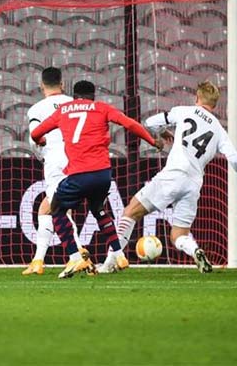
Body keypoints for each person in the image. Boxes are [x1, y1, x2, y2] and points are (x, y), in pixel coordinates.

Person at [99, 80, 237, 274]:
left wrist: (163, 132)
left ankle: (109, 264)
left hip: (174, 174)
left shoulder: (184, 111)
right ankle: (195, 250)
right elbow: (234, 158)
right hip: (194, 183)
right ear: (215, 104)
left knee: (130, 212)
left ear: (197, 97)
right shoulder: (219, 130)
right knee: (179, 235)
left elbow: (149, 123)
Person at [31, 80, 163, 279]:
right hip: (103, 174)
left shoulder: (64, 110)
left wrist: (41, 141)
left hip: (77, 174)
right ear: (93, 96)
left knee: (56, 208)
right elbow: (130, 123)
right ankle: (119, 256)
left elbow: (36, 133)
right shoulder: (101, 108)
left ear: (74, 96)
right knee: (99, 211)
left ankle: (75, 257)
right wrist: (153, 141)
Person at [23, 67, 87, 275]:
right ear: (62, 84)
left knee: (55, 208)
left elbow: (34, 137)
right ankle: (38, 260)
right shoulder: (75, 104)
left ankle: (77, 254)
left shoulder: (37, 109)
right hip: (79, 159)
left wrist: (43, 155)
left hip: (56, 160)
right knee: (51, 208)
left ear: (41, 85)